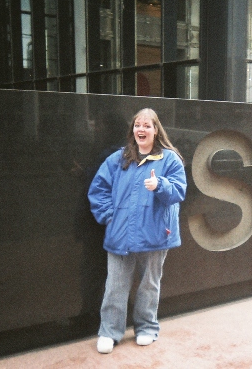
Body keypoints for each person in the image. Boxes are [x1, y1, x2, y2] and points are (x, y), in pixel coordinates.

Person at [88, 108, 187, 354]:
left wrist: (160, 185)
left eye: (147, 125)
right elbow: (98, 189)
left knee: (149, 285)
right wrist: (109, 216)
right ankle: (110, 332)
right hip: (120, 233)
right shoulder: (118, 159)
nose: (141, 130)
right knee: (115, 286)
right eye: (137, 125)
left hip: (155, 234)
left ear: (156, 130)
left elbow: (178, 192)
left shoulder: (170, 159)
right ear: (132, 130)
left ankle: (146, 328)